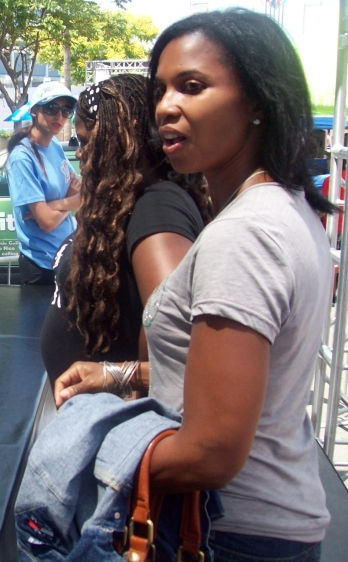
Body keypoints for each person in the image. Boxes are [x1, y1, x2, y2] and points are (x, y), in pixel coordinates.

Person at [57, 9, 333, 560]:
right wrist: (117, 374)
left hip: (228, 534)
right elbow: (220, 375)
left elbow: (211, 452)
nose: (166, 107)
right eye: (160, 89)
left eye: (193, 86)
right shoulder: (282, 210)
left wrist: (77, 452)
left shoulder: (245, 234)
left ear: (256, 101)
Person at [42, 75, 210, 386]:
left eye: (88, 141)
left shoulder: (157, 208)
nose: (80, 153)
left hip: (118, 419)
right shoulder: (128, 201)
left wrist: (115, 375)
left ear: (121, 139)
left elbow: (181, 348)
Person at [6, 82, 81, 285]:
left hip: (67, 256)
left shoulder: (55, 144)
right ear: (34, 111)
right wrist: (69, 201)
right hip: (42, 267)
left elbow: (80, 190)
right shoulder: (22, 158)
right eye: (51, 108)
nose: (59, 117)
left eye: (66, 110)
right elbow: (46, 222)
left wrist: (56, 204)